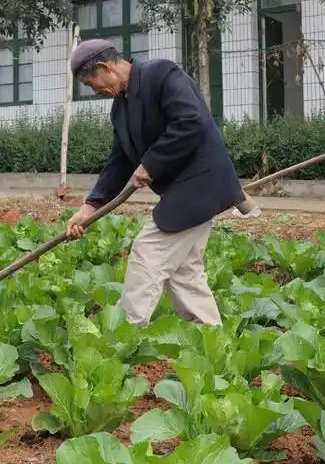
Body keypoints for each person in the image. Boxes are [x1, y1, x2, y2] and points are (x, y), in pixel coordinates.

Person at [64, 39, 242, 326]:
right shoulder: (120, 109)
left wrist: (151, 163)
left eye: (90, 83)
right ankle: (209, 336)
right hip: (183, 192)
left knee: (148, 253)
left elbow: (190, 120)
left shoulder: (161, 74)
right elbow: (119, 161)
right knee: (185, 272)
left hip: (201, 185)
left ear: (104, 67)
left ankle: (125, 334)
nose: (94, 91)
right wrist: (90, 206)